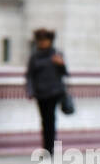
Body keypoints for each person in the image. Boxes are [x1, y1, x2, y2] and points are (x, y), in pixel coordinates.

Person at [24, 28, 68, 156]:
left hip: (54, 92)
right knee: (44, 120)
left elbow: (65, 73)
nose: (42, 43)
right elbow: (30, 75)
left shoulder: (56, 54)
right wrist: (30, 90)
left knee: (51, 119)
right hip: (40, 93)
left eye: (45, 40)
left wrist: (61, 64)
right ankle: (46, 147)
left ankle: (50, 148)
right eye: (40, 41)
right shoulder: (34, 57)